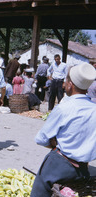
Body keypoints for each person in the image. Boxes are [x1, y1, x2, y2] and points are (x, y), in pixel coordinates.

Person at [31, 63, 96, 196]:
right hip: (84, 169)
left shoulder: (64, 108)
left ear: (70, 84)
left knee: (39, 192)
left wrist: (54, 144)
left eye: (65, 81)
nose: (64, 84)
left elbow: (41, 139)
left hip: (60, 165)